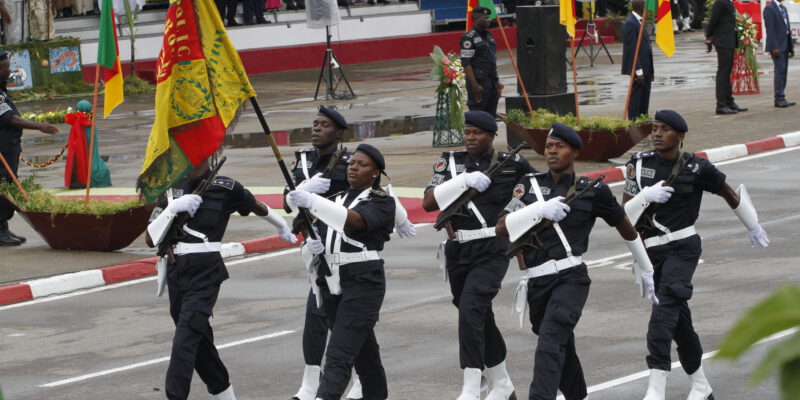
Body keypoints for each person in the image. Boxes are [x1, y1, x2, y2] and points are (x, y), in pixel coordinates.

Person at [494, 123, 658, 400]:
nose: (552, 152)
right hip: (536, 281)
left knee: (549, 343)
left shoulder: (592, 191)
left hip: (571, 279)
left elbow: (625, 227)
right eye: (549, 147)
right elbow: (501, 227)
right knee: (559, 344)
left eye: (560, 146)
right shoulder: (530, 185)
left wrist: (647, 268)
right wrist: (537, 210)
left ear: (575, 152)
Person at [621, 110, 769, 400]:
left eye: (665, 129)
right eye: (655, 128)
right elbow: (623, 214)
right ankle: (701, 385)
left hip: (683, 248)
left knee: (663, 315)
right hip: (652, 252)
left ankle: (656, 389)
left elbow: (728, 192)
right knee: (680, 324)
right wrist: (644, 197)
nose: (657, 133)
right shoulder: (638, 166)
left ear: (681, 136)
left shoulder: (697, 168)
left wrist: (752, 224)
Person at [286, 106, 416, 400]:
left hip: (363, 283)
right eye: (352, 163)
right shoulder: (337, 197)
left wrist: (313, 202)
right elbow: (304, 223)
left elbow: (353, 221)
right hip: (331, 281)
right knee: (365, 356)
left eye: (362, 165)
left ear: (376, 174)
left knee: (339, 354)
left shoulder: (381, 202)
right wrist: (312, 242)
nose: (353, 168)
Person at [146, 155, 297, 400]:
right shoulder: (171, 190)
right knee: (199, 340)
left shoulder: (225, 187)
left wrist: (281, 224)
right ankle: (225, 393)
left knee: (184, 339)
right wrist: (172, 209)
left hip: (206, 271)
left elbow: (255, 204)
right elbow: (150, 238)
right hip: (176, 271)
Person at [421, 111, 536, 400]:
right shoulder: (450, 163)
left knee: (472, 309)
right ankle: (502, 382)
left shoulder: (513, 164)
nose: (471, 138)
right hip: (458, 248)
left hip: (493, 249)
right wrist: (461, 182)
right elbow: (428, 202)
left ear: (492, 135)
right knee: (477, 315)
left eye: (477, 133)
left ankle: (471, 387)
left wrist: (516, 211)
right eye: (467, 132)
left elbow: (536, 190)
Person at [0, 52, 60, 246]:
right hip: (2, 148)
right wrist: (40, 126)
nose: (9, 70)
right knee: (3, 186)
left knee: (9, 184)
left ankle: (4, 227)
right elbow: (11, 119)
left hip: (9, 146)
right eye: (5, 67)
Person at [461, 7, 504, 117]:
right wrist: (475, 86)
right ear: (476, 18)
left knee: (490, 118)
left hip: (491, 82)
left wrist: (497, 82)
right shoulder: (468, 38)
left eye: (488, 18)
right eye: (485, 18)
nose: (488, 20)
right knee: (478, 117)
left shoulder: (489, 36)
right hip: (479, 83)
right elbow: (466, 64)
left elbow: (492, 61)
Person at [706, 0, 747, 115]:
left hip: (729, 41)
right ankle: (721, 105)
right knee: (723, 74)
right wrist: (709, 36)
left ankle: (729, 101)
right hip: (724, 41)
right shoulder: (721, 2)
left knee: (727, 73)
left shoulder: (728, 2)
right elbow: (714, 20)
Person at [621, 0, 654, 121]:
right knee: (636, 95)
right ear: (640, 7)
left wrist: (651, 71)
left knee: (645, 95)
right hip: (638, 67)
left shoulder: (640, 21)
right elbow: (631, 49)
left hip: (646, 66)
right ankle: (634, 120)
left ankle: (643, 117)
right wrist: (638, 70)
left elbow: (646, 47)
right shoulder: (630, 23)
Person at [763, 0, 795, 108]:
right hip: (777, 45)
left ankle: (782, 97)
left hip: (785, 44)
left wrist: (791, 47)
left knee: (784, 71)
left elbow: (787, 29)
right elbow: (770, 29)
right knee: (779, 71)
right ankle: (779, 98)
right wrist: (774, 46)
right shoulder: (769, 8)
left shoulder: (783, 8)